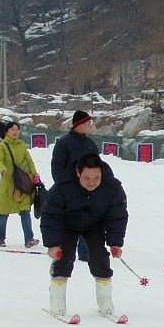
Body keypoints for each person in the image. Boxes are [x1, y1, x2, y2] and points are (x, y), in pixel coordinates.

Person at [40, 152, 128, 318]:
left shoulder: (112, 187)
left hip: (94, 224)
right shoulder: (63, 186)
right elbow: (50, 215)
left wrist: (115, 243)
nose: (92, 183)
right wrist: (53, 244)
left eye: (96, 178)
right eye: (87, 178)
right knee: (63, 257)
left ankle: (105, 299)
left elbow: (117, 215)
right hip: (67, 224)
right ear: (78, 173)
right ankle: (57, 298)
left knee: (100, 257)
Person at [51, 110, 100, 262]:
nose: (90, 126)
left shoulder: (90, 143)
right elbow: (57, 167)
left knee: (88, 221)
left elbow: (98, 166)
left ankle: (85, 255)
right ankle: (65, 253)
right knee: (70, 223)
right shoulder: (64, 143)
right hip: (69, 191)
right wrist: (62, 186)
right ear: (79, 124)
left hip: (89, 190)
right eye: (88, 123)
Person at [0, 121, 40, 248]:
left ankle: (29, 239)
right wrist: (3, 170)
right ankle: (0, 238)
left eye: (17, 129)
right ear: (6, 132)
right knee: (4, 212)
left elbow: (29, 161)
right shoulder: (1, 146)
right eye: (12, 129)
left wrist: (35, 174)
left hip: (22, 184)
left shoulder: (21, 145)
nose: (15, 132)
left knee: (25, 211)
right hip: (8, 184)